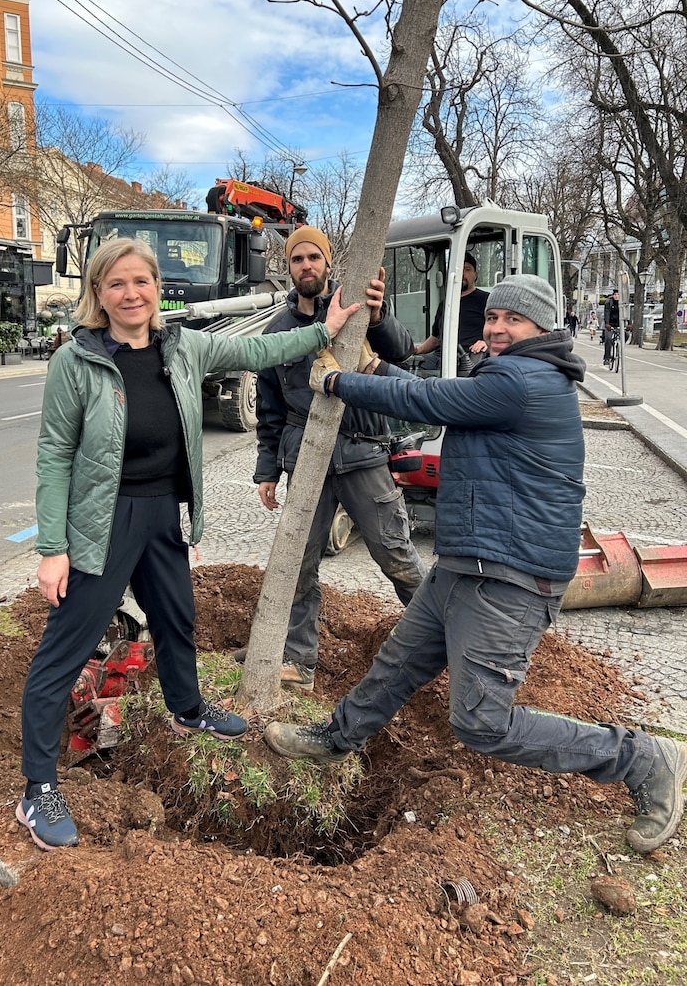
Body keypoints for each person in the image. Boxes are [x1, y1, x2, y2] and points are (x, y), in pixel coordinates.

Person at [264, 273, 687, 856]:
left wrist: (341, 380)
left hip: (511, 576)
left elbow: (429, 401)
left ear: (542, 327)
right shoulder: (505, 376)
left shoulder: (526, 380)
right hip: (469, 563)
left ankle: (641, 758)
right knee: (399, 661)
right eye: (492, 318)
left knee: (481, 722)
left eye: (513, 319)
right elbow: (442, 394)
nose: (497, 327)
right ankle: (336, 739)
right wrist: (379, 370)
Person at [16, 237, 361, 851]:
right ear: (98, 294)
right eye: (116, 284)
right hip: (101, 521)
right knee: (63, 652)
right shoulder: (78, 360)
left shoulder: (183, 345)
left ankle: (187, 707)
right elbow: (52, 455)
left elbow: (258, 348)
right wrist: (52, 547)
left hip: (163, 514)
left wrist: (323, 329)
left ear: (156, 288)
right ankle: (37, 787)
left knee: (177, 621)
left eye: (140, 282)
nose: (131, 294)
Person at [247, 226, 426, 692]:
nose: (306, 266)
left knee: (397, 555)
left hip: (362, 453)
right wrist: (267, 470)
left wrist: (378, 314)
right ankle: (299, 661)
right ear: (288, 268)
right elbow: (269, 408)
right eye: (297, 259)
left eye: (313, 257)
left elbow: (402, 350)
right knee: (300, 562)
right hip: (306, 460)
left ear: (327, 263)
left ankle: (438, 640)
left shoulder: (356, 308)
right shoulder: (279, 332)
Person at [411, 252, 488, 372]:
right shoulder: (445, 303)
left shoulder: (486, 300)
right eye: (458, 269)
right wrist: (417, 350)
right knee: (404, 365)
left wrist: (487, 342)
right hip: (439, 357)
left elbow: (498, 329)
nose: (462, 274)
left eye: (467, 269)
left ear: (475, 275)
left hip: (467, 358)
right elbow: (435, 337)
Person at [603, 289, 620, 365]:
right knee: (608, 339)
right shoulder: (609, 302)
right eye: (615, 294)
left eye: (618, 295)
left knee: (626, 334)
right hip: (610, 324)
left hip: (619, 324)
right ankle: (607, 358)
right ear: (613, 295)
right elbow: (607, 313)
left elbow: (626, 313)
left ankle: (618, 347)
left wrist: (629, 324)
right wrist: (607, 323)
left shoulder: (622, 303)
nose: (617, 296)